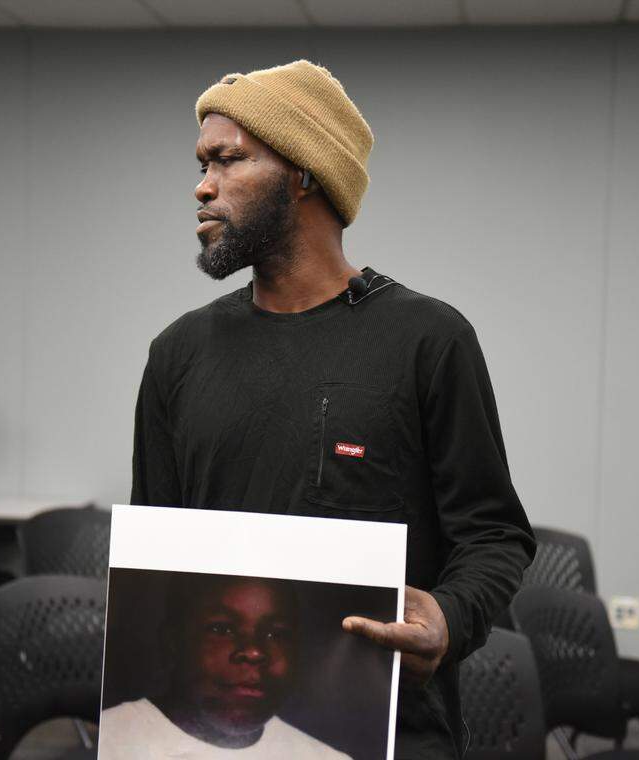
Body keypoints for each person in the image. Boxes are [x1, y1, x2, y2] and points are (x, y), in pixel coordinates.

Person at [129, 60, 535, 759]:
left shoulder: (428, 341)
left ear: (305, 172)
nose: (202, 186)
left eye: (229, 160)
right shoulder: (178, 354)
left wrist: (451, 614)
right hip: (207, 740)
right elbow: (155, 558)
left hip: (385, 729)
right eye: (201, 163)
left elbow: (496, 537)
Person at [100, 574, 349, 759]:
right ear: (173, 642)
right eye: (222, 629)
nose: (253, 651)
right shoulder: (110, 741)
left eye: (276, 634)